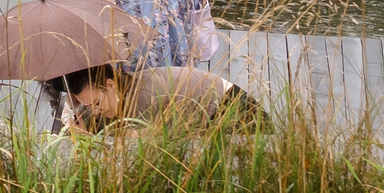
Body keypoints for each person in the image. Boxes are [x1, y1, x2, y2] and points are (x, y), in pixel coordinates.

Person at [63, 63, 260, 131]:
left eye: (97, 103)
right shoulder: (120, 88)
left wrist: (86, 140)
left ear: (109, 84)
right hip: (208, 113)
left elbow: (137, 149)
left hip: (236, 113)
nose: (95, 111)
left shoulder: (145, 100)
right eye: (89, 106)